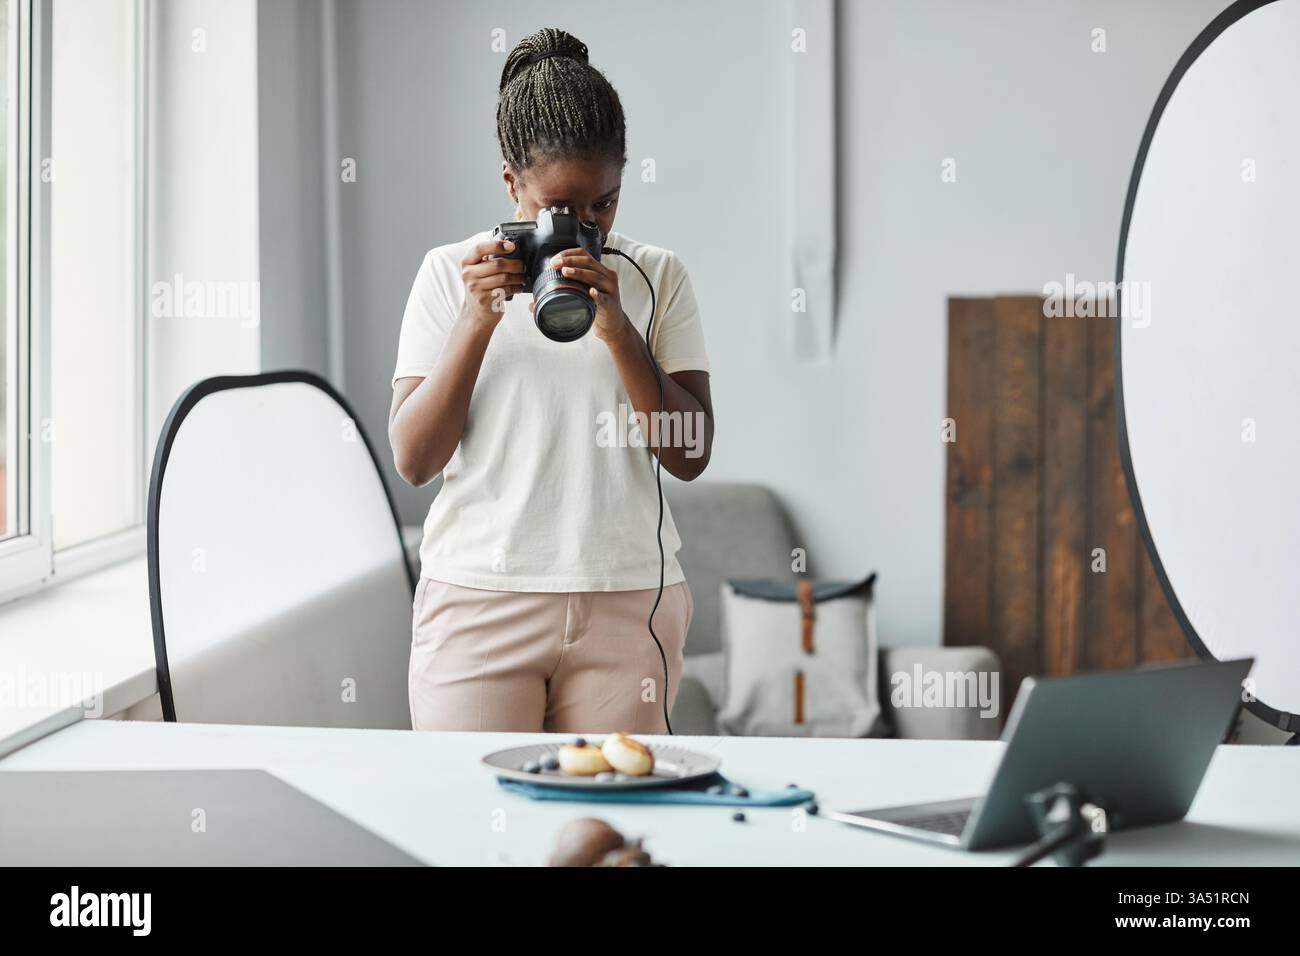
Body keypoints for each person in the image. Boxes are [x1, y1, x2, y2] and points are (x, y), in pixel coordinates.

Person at [388, 27, 714, 734]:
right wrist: (477, 322)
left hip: (629, 598)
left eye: (604, 204)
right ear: (512, 185)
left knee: (612, 831)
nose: (585, 226)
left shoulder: (657, 277)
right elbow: (414, 460)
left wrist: (620, 332)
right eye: (559, 209)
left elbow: (689, 454)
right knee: (472, 831)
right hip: (479, 599)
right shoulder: (452, 275)